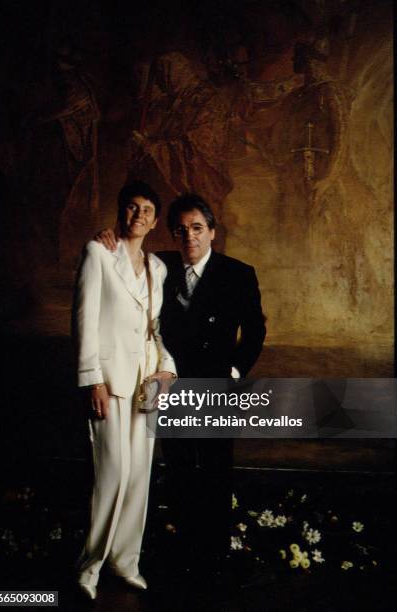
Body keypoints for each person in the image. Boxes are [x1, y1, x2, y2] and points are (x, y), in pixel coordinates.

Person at [95, 193, 266, 577]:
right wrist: (107, 238)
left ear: (212, 233)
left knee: (215, 469)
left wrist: (234, 372)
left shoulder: (238, 273)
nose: (189, 236)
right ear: (172, 234)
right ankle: (184, 550)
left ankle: (215, 556)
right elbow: (124, 263)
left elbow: (255, 331)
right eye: (181, 230)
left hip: (216, 384)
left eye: (197, 228)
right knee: (179, 467)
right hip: (169, 383)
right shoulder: (160, 266)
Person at [73, 181, 176, 600]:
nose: (139, 215)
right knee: (112, 473)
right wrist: (91, 378)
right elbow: (83, 319)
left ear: (153, 222)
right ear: (121, 213)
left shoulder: (158, 269)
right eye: (132, 208)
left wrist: (166, 369)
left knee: (138, 476)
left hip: (146, 384)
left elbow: (155, 329)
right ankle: (89, 567)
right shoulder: (98, 252)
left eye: (147, 210)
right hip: (110, 382)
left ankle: (125, 562)